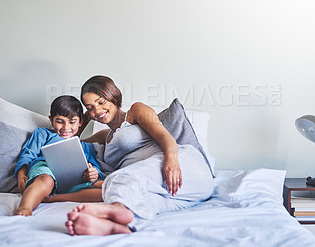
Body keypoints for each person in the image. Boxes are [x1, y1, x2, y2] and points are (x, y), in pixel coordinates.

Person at [65, 75, 214, 235]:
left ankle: (115, 209)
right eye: (90, 108)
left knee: (117, 178)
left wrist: (171, 161)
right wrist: (82, 123)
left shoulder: (136, 111)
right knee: (146, 202)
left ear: (113, 97)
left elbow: (165, 137)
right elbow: (71, 147)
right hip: (172, 191)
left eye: (101, 102)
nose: (97, 111)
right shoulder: (103, 137)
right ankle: (119, 225)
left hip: (183, 168)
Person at [14, 95, 105, 216]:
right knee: (46, 179)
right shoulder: (43, 133)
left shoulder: (86, 146)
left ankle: (56, 197)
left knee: (105, 188)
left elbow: (95, 166)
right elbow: (27, 154)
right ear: (51, 120)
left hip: (75, 179)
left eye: (72, 122)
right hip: (46, 169)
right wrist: (21, 175)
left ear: (81, 122)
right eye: (59, 121)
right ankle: (24, 208)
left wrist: (94, 173)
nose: (66, 127)